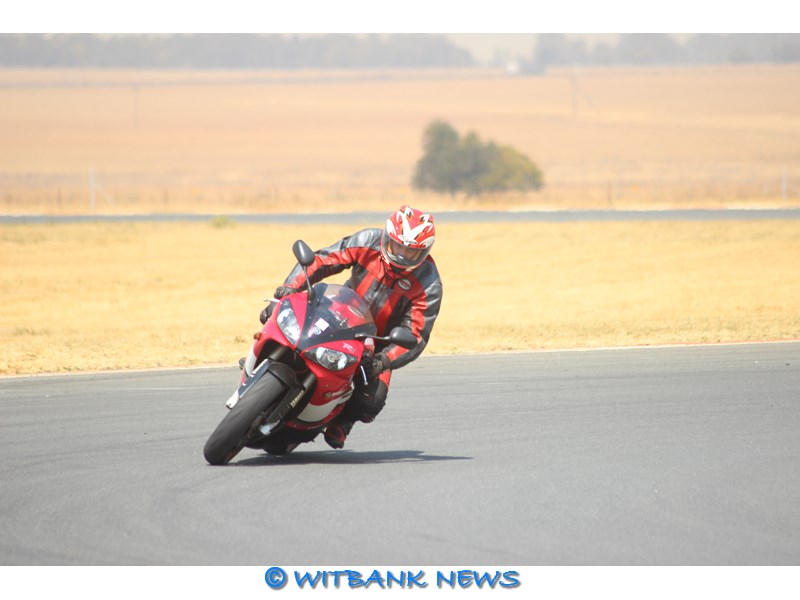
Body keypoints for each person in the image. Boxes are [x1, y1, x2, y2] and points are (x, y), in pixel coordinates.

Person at [264, 205, 443, 449]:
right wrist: (290, 288)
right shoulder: (368, 240)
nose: (401, 255)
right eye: (397, 246)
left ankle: (342, 421)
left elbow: (417, 335)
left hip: (376, 343)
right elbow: (323, 260)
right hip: (335, 313)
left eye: (410, 252)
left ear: (424, 252)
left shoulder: (429, 284)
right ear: (387, 237)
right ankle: (262, 361)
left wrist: (383, 361)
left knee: (371, 401)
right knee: (280, 318)